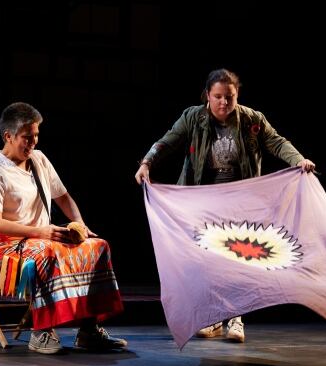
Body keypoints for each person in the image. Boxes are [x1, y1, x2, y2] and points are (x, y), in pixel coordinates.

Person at [134, 68, 316, 343]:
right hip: (203, 201)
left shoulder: (252, 119)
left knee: (238, 258)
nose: (223, 103)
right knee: (208, 260)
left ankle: (236, 319)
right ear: (207, 95)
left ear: (237, 95)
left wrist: (298, 160)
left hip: (240, 201)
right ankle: (215, 318)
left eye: (229, 97)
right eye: (218, 97)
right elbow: (167, 141)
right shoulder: (193, 117)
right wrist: (147, 163)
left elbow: (277, 143)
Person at [0, 102, 127, 354]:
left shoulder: (39, 160)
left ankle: (88, 329)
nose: (33, 142)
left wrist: (81, 226)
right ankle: (41, 330)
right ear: (8, 136)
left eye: (36, 136)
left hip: (37, 237)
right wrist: (41, 232)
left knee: (96, 247)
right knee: (45, 252)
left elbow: (64, 198)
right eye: (26, 137)